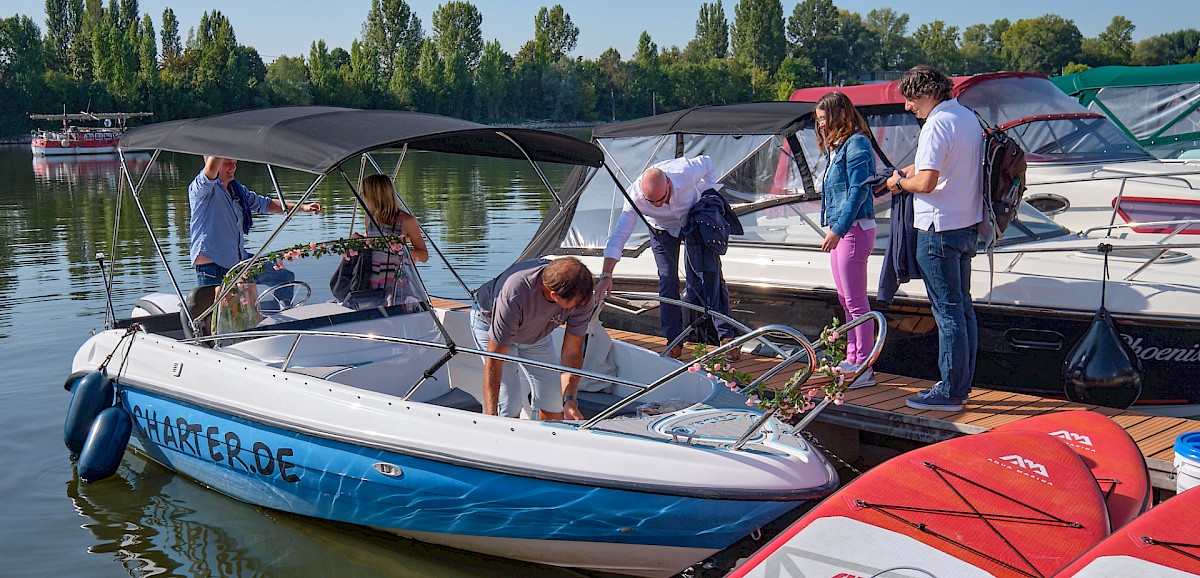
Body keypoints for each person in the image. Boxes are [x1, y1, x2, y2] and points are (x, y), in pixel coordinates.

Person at [885, 65, 984, 412]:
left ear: (927, 94)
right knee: (963, 309)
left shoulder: (936, 124)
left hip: (937, 229)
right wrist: (913, 170)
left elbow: (926, 183)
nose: (908, 107)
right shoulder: (967, 118)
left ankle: (949, 392)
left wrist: (898, 183)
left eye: (911, 99)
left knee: (947, 313)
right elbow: (946, 166)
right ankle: (962, 383)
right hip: (966, 226)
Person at [595, 156, 740, 361]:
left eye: (662, 198)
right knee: (667, 281)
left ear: (669, 183)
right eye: (652, 202)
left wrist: (708, 193)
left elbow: (708, 162)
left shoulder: (684, 171)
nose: (660, 204)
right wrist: (606, 274)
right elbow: (619, 236)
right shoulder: (634, 196)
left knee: (710, 275)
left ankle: (727, 337)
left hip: (692, 219)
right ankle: (674, 340)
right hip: (660, 230)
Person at [471, 257, 595, 420]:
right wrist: (491, 416)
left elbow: (572, 351)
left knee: (554, 400)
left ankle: (549, 441)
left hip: (536, 333)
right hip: (491, 325)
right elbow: (495, 358)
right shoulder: (516, 292)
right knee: (509, 403)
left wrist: (570, 400)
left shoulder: (584, 298)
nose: (582, 305)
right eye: (576, 303)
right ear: (554, 295)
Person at [189, 156, 322, 304]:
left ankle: (275, 317)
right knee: (219, 318)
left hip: (239, 262)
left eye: (234, 163)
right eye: (227, 164)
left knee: (284, 277)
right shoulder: (201, 189)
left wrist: (303, 208)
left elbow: (267, 204)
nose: (232, 168)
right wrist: (224, 139)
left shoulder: (237, 190)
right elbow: (211, 169)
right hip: (213, 269)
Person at [815, 91, 878, 389]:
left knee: (856, 301)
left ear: (841, 114)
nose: (821, 126)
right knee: (845, 300)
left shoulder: (857, 145)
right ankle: (853, 357)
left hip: (853, 229)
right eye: (818, 121)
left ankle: (863, 366)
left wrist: (838, 228)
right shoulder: (839, 148)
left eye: (824, 119)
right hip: (843, 229)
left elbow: (858, 191)